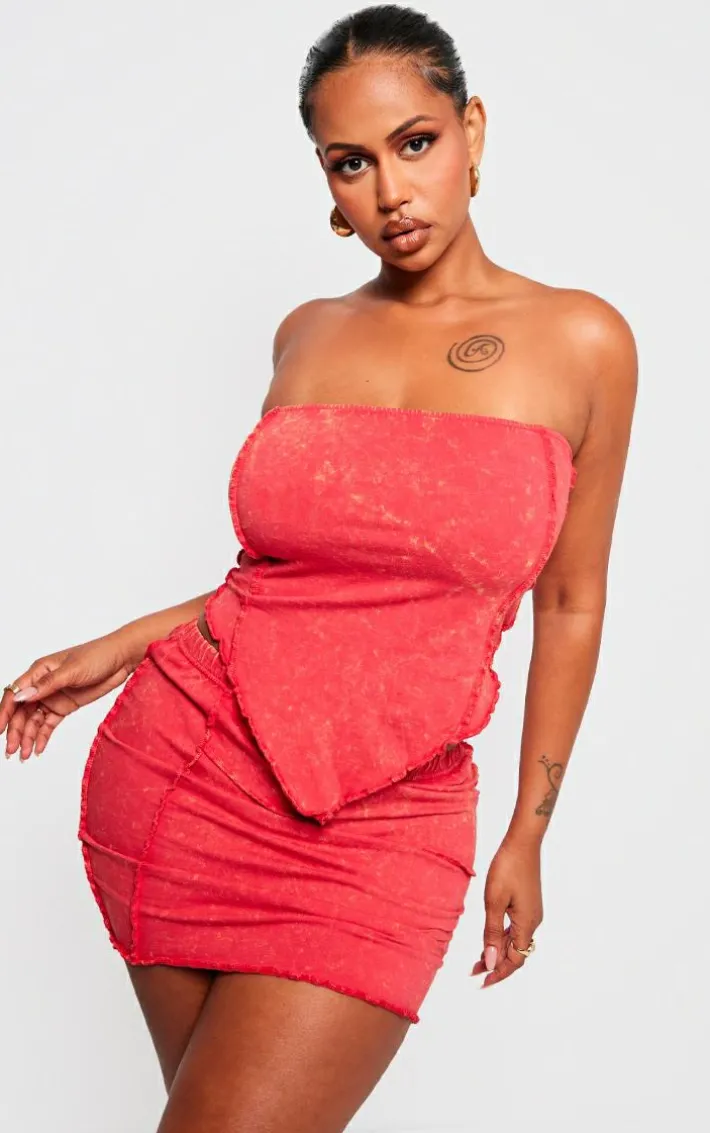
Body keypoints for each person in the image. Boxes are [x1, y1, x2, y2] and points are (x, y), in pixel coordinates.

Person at [0, 4, 637, 1131]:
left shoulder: (582, 340)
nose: (391, 190)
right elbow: (295, 581)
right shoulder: (306, 333)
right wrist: (123, 645)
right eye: (351, 162)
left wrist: (529, 828)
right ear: (327, 182)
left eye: (414, 143)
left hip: (387, 823)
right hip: (184, 776)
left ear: (472, 130)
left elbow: (572, 599)